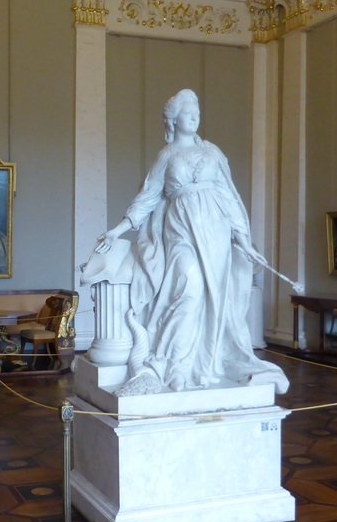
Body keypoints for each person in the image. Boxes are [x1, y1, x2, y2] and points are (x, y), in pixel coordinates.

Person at [95, 89, 288, 396]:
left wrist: (244, 240)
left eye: (197, 111)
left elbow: (230, 198)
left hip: (216, 232)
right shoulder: (167, 155)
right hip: (180, 229)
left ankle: (195, 367)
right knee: (190, 287)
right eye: (187, 112)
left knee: (213, 299)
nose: (195, 116)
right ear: (174, 119)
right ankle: (170, 364)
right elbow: (148, 197)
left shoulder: (213, 153)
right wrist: (118, 230)